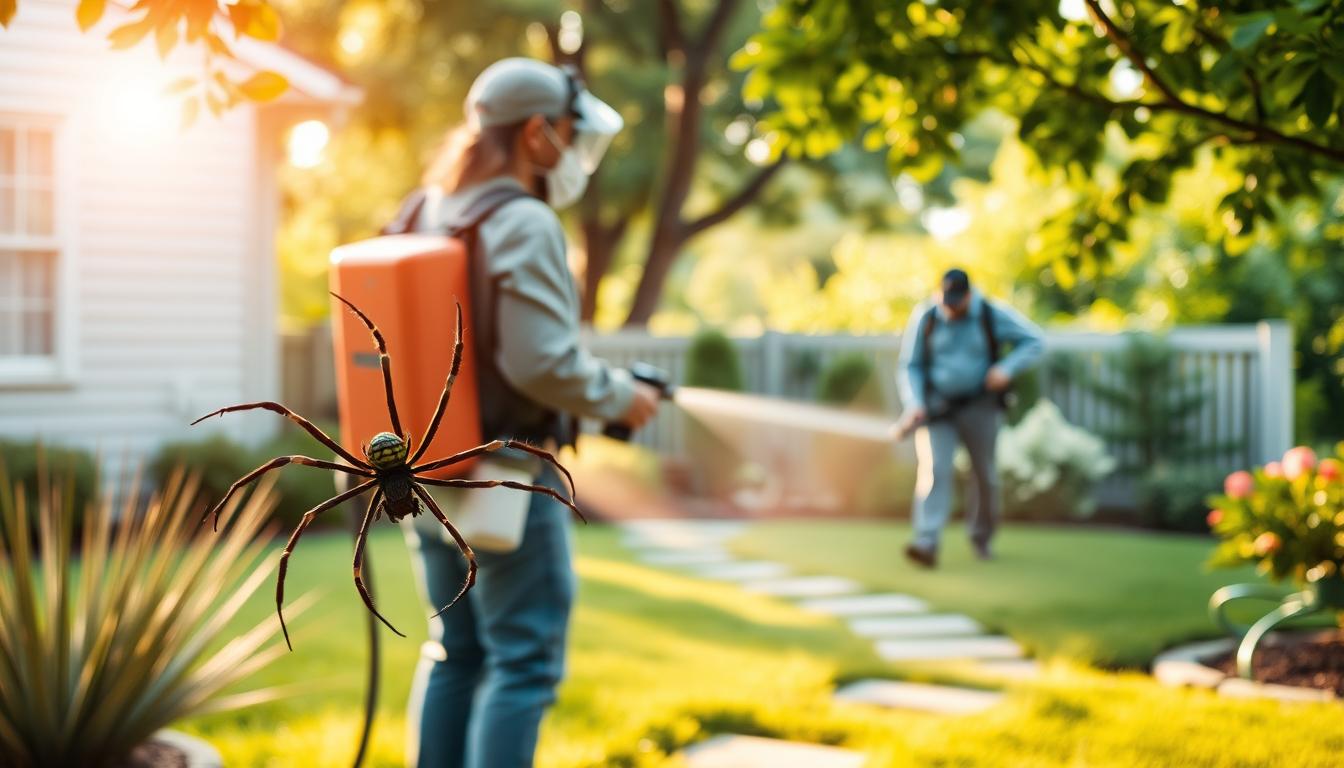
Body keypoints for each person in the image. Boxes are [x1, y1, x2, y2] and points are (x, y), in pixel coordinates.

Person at [397, 58, 661, 768]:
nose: (574, 150)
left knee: (456, 652)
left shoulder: (426, 208)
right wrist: (621, 399)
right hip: (508, 480)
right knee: (522, 663)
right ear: (537, 134)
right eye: (570, 133)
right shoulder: (524, 220)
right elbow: (540, 363)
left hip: (428, 473)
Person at [895, 268, 1044, 568]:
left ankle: (981, 537)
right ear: (938, 295)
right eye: (945, 300)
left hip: (981, 406)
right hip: (939, 407)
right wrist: (915, 402)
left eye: (956, 300)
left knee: (984, 474)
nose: (950, 306)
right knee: (935, 468)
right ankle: (927, 541)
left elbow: (1034, 342)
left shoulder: (991, 314)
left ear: (969, 295)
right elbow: (910, 366)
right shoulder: (926, 318)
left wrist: (1007, 369)